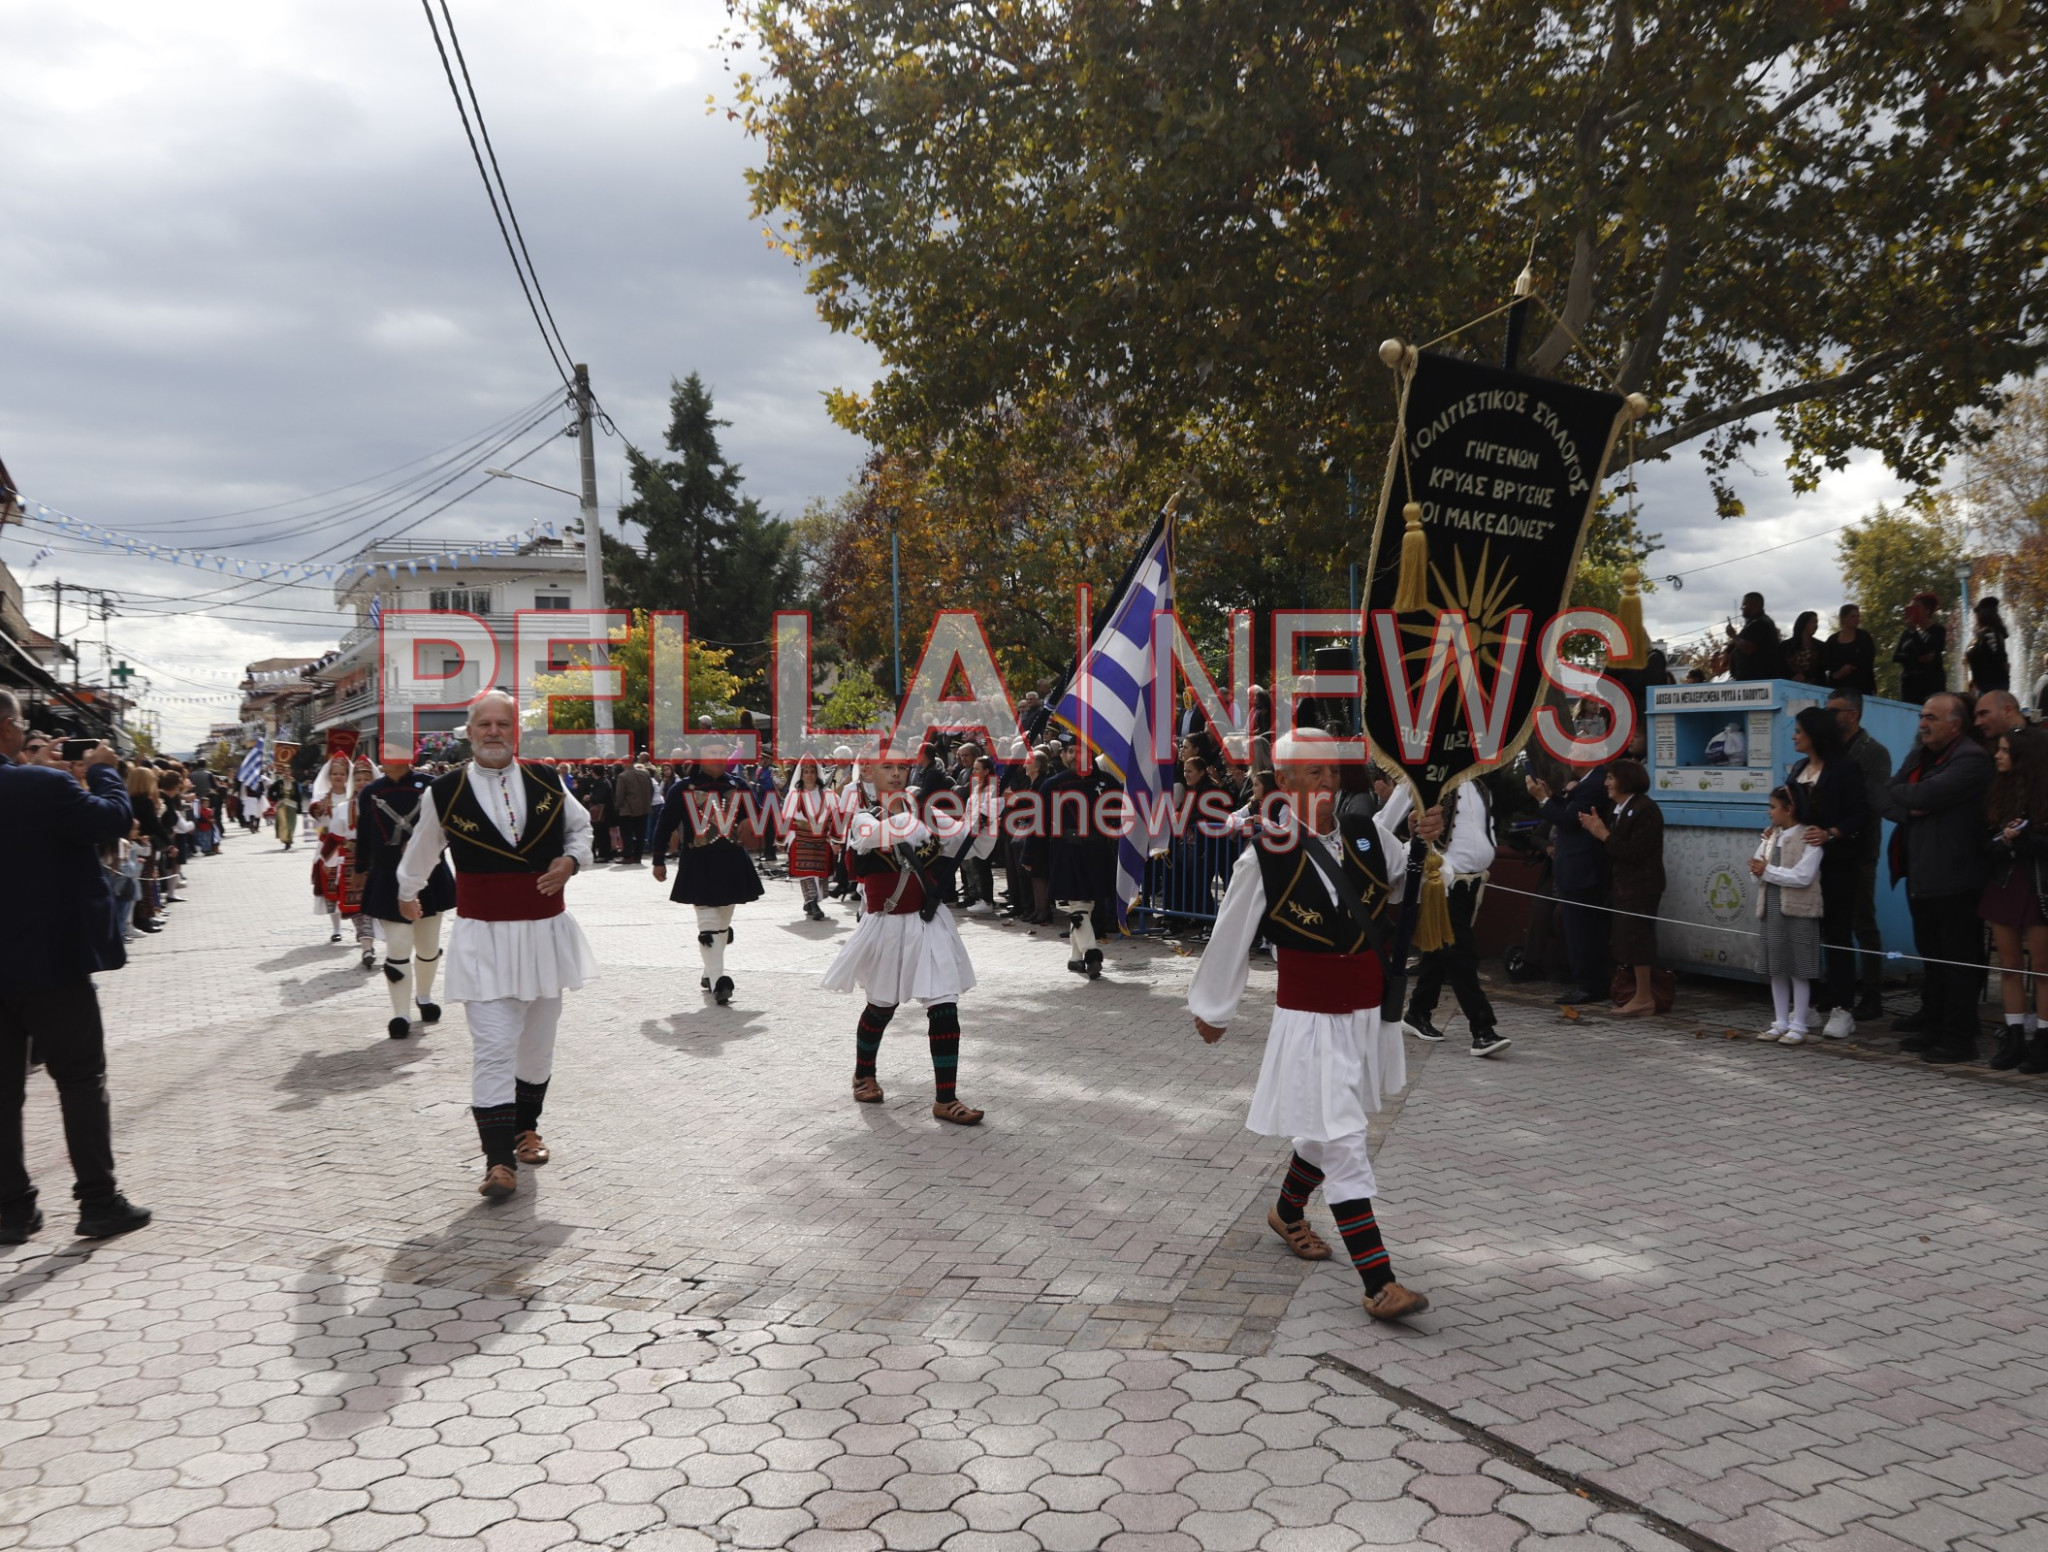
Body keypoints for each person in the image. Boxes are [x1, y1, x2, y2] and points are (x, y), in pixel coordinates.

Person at [1188, 728, 1434, 1322]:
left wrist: (1424, 840)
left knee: (1327, 1128)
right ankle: (1379, 1282)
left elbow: (1401, 880)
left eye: (1332, 773)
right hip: (1310, 1018)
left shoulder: (1367, 834)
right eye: (1315, 774)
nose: (1328, 784)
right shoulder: (1263, 854)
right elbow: (1232, 932)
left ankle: (1287, 1212)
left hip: (1365, 1014)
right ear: (1286, 782)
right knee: (1346, 1140)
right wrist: (1214, 1007)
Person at [396, 690, 599, 1199]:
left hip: (545, 934)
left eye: (501, 724)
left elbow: (581, 830)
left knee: (535, 1047)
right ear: (469, 732)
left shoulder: (548, 780)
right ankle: (498, 1161)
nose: (492, 732)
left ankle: (525, 1128)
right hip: (483, 936)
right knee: (492, 1049)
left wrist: (571, 862)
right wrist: (407, 892)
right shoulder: (443, 791)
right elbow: (422, 849)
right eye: (483, 724)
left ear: (516, 732)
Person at [0, 692, 151, 1244]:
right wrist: (104, 772)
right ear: (8, 729)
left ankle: (12, 1210)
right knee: (81, 1081)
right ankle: (98, 1200)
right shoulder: (41, 786)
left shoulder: (37, 783)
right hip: (50, 962)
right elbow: (111, 819)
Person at [821, 757, 984, 1124]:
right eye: (887, 768)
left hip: (928, 923)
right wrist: (920, 819)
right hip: (887, 926)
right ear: (867, 773)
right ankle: (864, 1074)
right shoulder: (863, 817)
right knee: (881, 1006)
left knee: (945, 1005)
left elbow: (967, 843)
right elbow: (882, 836)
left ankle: (946, 1099)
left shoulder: (926, 813)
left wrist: (983, 812)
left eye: (901, 768)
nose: (896, 774)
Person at [1885, 692, 1993, 1063]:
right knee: (1931, 957)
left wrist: (1912, 800)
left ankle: (1960, 1038)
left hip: (1957, 877)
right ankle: (1932, 1027)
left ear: (1955, 725)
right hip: (1920, 873)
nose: (1923, 724)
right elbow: (1888, 796)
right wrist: (1912, 808)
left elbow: (1927, 793)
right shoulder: (1920, 754)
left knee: (1958, 962)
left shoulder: (1972, 759)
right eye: (1921, 716)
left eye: (1932, 717)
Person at [1381, 779, 1509, 1057]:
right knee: (1462, 955)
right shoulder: (1421, 778)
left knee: (1441, 951)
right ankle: (1482, 1029)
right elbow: (1382, 824)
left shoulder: (1480, 784)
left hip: (1473, 882)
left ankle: (1418, 1012)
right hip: (1442, 882)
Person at [651, 743, 765, 1006]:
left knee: (722, 923)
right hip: (698, 861)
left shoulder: (739, 786)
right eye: (711, 753)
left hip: (732, 861)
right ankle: (718, 982)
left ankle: (708, 972)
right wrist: (658, 860)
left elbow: (757, 815)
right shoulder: (683, 788)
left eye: (721, 753)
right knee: (708, 922)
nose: (717, 758)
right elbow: (664, 824)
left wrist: (752, 821)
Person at [356, 750, 455, 1040]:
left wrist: (424, 847)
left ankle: (423, 997)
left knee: (427, 947)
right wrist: (360, 869)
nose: (389, 758)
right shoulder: (371, 792)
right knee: (398, 946)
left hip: (429, 873)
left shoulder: (432, 785)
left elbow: (449, 827)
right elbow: (364, 833)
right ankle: (400, 1014)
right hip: (388, 875)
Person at [1786, 706, 1870, 1037]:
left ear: (1815, 735)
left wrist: (1832, 832)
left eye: (1799, 731)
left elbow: (1861, 814)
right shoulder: (1798, 768)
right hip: (1801, 862)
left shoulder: (1845, 768)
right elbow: (1789, 809)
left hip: (1837, 863)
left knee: (1836, 932)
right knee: (1804, 932)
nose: (1794, 736)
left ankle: (1842, 1007)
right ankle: (1807, 1003)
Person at [1978, 727, 2048, 1072]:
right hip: (2005, 883)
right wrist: (2002, 841)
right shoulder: (1999, 792)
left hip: (2039, 885)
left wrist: (2023, 838)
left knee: (2043, 970)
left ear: (2025, 757)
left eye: (2004, 750)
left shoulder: (2044, 794)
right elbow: (1983, 844)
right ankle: (2015, 1034)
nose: (1998, 755)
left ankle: (2045, 1042)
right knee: (2007, 967)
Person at [1579, 759, 1665, 1016]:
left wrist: (1603, 834)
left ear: (1625, 779)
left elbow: (1635, 852)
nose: (1606, 783)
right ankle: (1634, 992)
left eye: (1611, 778)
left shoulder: (1644, 809)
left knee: (1639, 938)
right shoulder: (1620, 809)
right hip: (1623, 884)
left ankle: (1644, 997)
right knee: (1627, 938)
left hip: (1641, 885)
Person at [1827, 690, 1893, 1019]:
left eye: (1834, 711)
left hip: (1860, 849)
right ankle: (1837, 988)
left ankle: (1872, 992)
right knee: (1832, 922)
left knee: (1862, 921)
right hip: (1827, 848)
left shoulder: (1874, 753)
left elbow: (1871, 804)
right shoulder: (1828, 750)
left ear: (1852, 715)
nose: (1828, 717)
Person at [1526, 761, 1611, 1005]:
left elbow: (1568, 821)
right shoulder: (1586, 785)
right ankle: (1588, 981)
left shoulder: (1592, 784)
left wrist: (1542, 799)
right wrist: (1552, 796)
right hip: (1576, 867)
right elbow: (1567, 810)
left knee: (1581, 929)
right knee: (1579, 927)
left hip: (1582, 868)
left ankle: (1589, 984)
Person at [1750, 787, 1825, 1044]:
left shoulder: (1809, 837)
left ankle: (1799, 1023)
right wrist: (1758, 870)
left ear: (1789, 809)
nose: (1769, 812)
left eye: (1773, 807)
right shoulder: (1771, 837)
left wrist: (1767, 871)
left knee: (1799, 967)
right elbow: (1756, 866)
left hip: (1799, 909)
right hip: (1772, 906)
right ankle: (1780, 1021)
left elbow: (1803, 876)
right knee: (1777, 966)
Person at [785, 755, 837, 921]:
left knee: (819, 873)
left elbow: (838, 815)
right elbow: (787, 817)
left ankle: (810, 902)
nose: (809, 775)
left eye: (812, 771)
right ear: (801, 775)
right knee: (806, 870)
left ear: (817, 774)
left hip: (821, 838)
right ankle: (812, 903)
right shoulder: (794, 795)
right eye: (805, 772)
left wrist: (835, 837)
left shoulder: (827, 794)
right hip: (801, 837)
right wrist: (786, 838)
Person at [1894, 593, 1948, 706]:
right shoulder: (1906, 632)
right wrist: (1915, 659)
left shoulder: (1937, 630)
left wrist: (1914, 633)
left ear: (1927, 610)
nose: (1912, 612)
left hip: (1930, 684)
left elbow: (1927, 652)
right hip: (1909, 684)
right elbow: (1897, 656)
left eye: (1916, 608)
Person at [1818, 604, 1878, 696]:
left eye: (1858, 616)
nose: (1856, 619)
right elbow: (1825, 661)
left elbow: (1869, 659)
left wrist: (1851, 667)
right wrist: (1839, 671)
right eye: (1852, 616)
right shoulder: (1832, 640)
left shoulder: (1864, 637)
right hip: (1838, 686)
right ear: (1843, 619)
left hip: (1861, 686)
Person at [1725, 593, 1782, 680]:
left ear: (1754, 605)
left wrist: (1733, 636)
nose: (1741, 608)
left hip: (1758, 679)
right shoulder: (1753, 623)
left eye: (1744, 605)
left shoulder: (1761, 624)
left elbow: (1749, 648)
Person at [612, 756, 655, 865]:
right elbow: (651, 790)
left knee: (626, 834)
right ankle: (638, 856)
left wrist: (617, 807)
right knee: (641, 834)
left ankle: (628, 856)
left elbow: (620, 795)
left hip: (628, 810)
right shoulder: (645, 774)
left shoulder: (623, 776)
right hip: (644, 809)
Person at [1966, 596, 2010, 694]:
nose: (1975, 615)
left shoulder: (1989, 633)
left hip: (1991, 685)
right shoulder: (1986, 633)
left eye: (1977, 611)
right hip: (1986, 685)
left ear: (1984, 613)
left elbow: (1999, 657)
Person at [1783, 611, 1825, 687]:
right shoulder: (1785, 645)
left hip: (1815, 688)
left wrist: (1806, 676)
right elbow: (1780, 666)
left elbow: (1822, 668)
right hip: (1788, 686)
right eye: (1813, 622)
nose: (1816, 625)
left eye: (1817, 623)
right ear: (1804, 623)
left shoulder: (1821, 646)